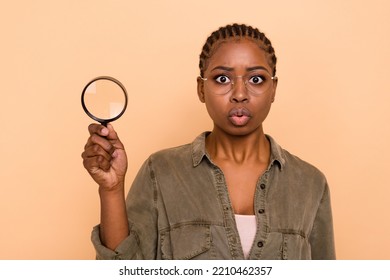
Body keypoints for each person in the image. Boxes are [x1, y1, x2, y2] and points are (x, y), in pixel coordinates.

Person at [82, 23, 335, 260]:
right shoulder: (160, 171)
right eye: (222, 79)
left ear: (274, 89)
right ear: (201, 89)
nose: (239, 94)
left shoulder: (310, 184)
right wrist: (111, 190)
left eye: (256, 79)